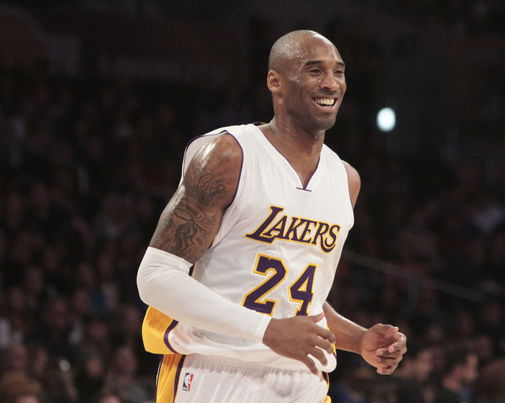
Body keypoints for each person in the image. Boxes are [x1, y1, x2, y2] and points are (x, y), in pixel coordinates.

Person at [136, 29, 407, 403]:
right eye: (314, 71)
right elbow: (154, 278)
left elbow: (293, 298)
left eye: (339, 72)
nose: (331, 83)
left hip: (304, 377)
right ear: (275, 81)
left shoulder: (346, 179)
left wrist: (358, 339)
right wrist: (265, 330)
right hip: (216, 371)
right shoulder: (227, 155)